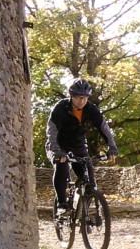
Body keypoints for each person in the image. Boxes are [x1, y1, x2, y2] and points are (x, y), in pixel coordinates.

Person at [45, 78, 118, 214]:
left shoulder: (90, 109)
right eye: (79, 98)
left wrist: (112, 146)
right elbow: (52, 131)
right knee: (62, 167)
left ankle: (84, 213)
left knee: (89, 179)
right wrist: (56, 152)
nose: (82, 101)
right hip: (58, 145)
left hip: (78, 145)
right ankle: (61, 204)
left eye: (85, 98)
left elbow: (104, 128)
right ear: (71, 96)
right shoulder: (61, 108)